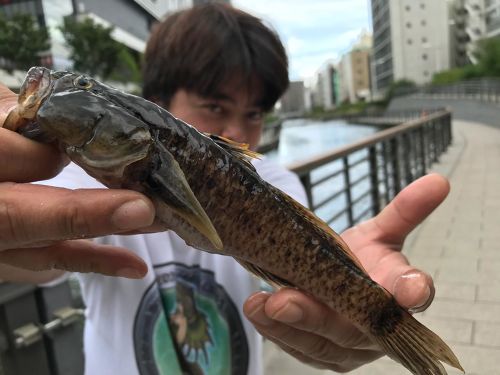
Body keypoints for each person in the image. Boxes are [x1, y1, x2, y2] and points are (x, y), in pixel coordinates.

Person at [0, 3, 450, 374]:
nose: (238, 130)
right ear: (156, 104)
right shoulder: (72, 189)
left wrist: (356, 301)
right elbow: (43, 261)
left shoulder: (278, 183)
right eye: (215, 105)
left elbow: (287, 284)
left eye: (255, 113)